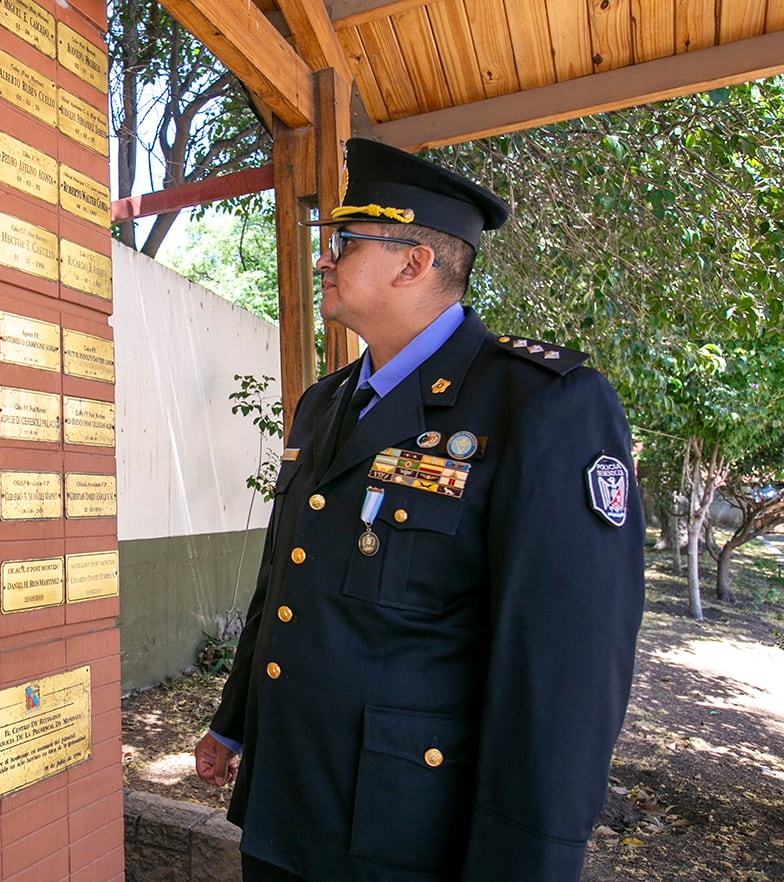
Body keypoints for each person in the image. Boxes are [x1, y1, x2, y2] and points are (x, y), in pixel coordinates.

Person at [193, 138, 645, 881]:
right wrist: (236, 724)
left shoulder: (540, 403)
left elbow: (566, 668)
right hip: (286, 806)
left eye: (342, 242)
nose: (322, 260)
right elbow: (284, 582)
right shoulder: (325, 403)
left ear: (413, 263)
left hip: (407, 833)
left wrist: (528, 863)